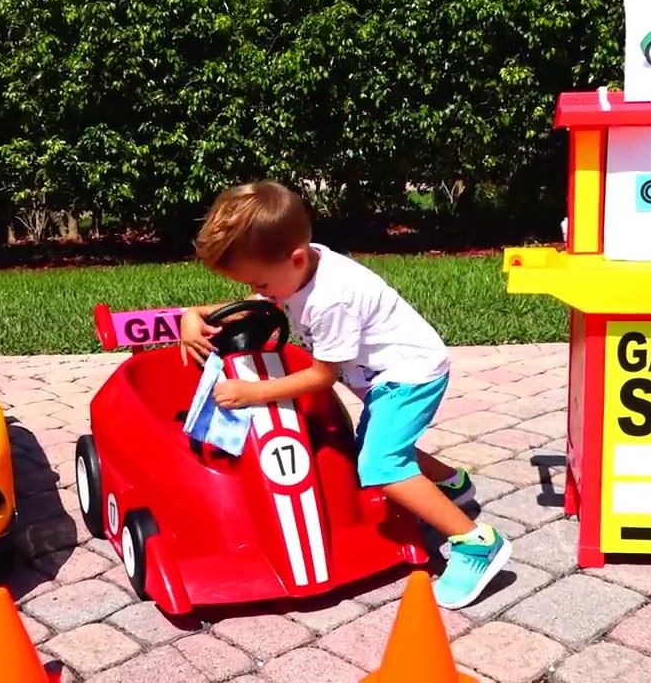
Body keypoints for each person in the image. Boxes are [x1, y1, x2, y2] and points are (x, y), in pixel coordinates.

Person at [178, 180, 511, 609]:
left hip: (410, 375)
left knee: (381, 466)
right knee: (378, 449)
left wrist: (252, 392)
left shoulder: (331, 300)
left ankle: (476, 542)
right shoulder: (300, 266)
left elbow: (321, 376)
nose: (261, 292)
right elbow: (257, 303)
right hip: (388, 374)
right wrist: (194, 315)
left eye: (262, 282)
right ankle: (451, 482)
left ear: (295, 258)